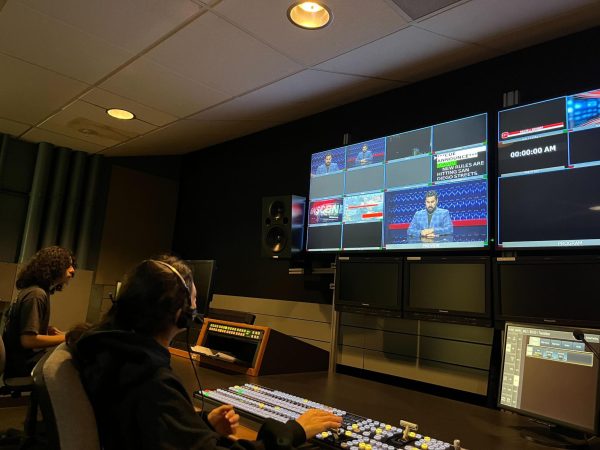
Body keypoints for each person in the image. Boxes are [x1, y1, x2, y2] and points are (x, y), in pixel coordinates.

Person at [71, 256, 341, 450]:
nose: (196, 308)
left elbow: (153, 429)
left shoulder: (107, 352)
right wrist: (294, 430)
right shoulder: (150, 380)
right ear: (182, 313)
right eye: (194, 301)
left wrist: (200, 424)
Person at [2, 246, 75, 378]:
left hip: (21, 362)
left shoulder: (35, 292)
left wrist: (46, 331)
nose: (72, 270)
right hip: (23, 366)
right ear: (55, 266)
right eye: (68, 265)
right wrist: (68, 337)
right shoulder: (36, 294)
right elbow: (28, 341)